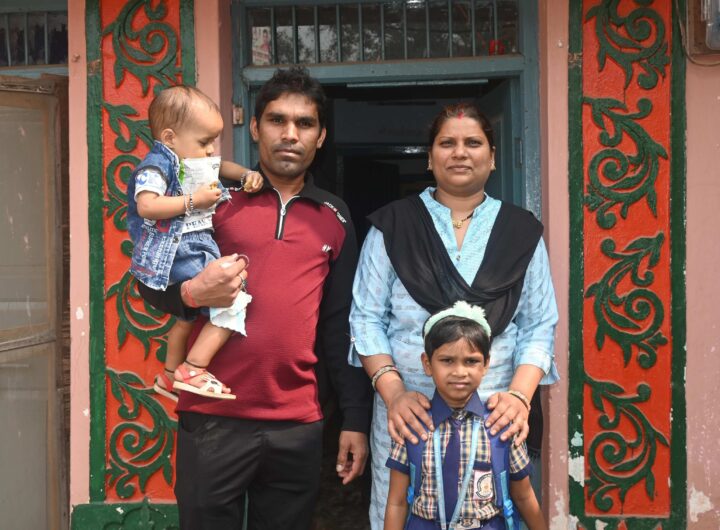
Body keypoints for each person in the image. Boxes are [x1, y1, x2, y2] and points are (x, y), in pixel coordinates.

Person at [137, 67, 372, 529]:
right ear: (256, 128)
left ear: (321, 136)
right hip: (212, 418)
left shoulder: (335, 216)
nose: (290, 134)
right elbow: (151, 277)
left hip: (297, 422)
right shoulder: (213, 200)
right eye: (277, 120)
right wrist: (191, 292)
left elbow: (341, 324)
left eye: (305, 123)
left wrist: (355, 418)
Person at [350, 102, 559, 528]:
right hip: (408, 415)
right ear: (429, 157)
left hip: (495, 416)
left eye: (473, 143)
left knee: (492, 511)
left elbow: (539, 324)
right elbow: (365, 318)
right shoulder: (393, 226)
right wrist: (395, 394)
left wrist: (519, 398)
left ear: (492, 157)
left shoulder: (521, 232)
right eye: (447, 143)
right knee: (403, 510)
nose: (460, 152)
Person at [127, 85, 263, 401]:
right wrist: (193, 201)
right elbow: (147, 205)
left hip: (191, 246)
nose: (210, 150)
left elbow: (221, 167)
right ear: (170, 137)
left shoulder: (188, 158)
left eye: (213, 141)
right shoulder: (155, 166)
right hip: (177, 250)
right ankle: (194, 368)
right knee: (233, 298)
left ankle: (169, 375)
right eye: (204, 142)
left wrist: (246, 174)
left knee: (185, 319)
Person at [384, 302, 547, 530]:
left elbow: (524, 496)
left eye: (471, 361)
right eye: (447, 360)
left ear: (486, 364)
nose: (460, 372)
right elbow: (397, 502)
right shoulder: (412, 425)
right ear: (427, 364)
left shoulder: (502, 425)